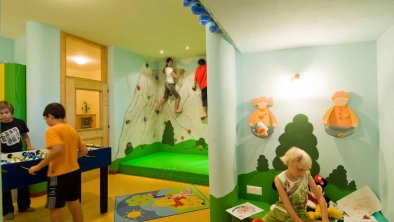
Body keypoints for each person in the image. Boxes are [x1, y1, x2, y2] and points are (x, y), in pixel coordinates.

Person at [28, 103, 88, 222]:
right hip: (74, 172)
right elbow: (84, 151)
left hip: (58, 175)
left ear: (50, 116)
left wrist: (38, 166)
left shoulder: (51, 130)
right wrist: (70, 158)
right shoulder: (71, 129)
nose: (46, 121)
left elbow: (57, 149)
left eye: (45, 119)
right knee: (74, 203)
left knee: (55, 208)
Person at [263, 147, 328, 222]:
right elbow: (287, 205)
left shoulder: (306, 175)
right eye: (299, 169)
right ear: (288, 163)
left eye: (305, 169)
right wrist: (297, 220)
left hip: (300, 213)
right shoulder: (279, 180)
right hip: (281, 212)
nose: (302, 173)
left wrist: (325, 218)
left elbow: (319, 196)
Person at [0, 100, 36, 220]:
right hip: (4, 157)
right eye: (1, 113)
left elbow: (25, 135)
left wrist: (29, 146)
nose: (4, 115)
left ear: (11, 112)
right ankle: (7, 210)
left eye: (6, 112)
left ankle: (24, 205)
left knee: (23, 180)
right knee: (6, 184)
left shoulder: (20, 122)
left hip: (20, 155)